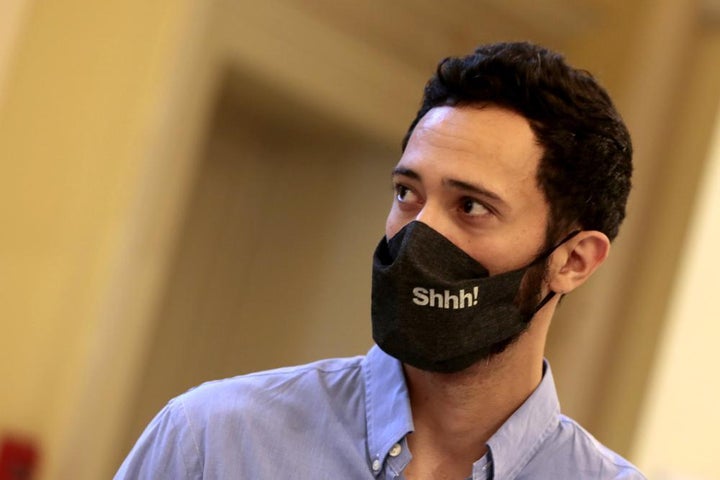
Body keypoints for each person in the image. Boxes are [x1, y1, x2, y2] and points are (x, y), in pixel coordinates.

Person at [115, 41, 645, 479]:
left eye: (471, 206)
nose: (419, 231)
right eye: (407, 193)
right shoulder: (214, 439)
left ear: (574, 260)